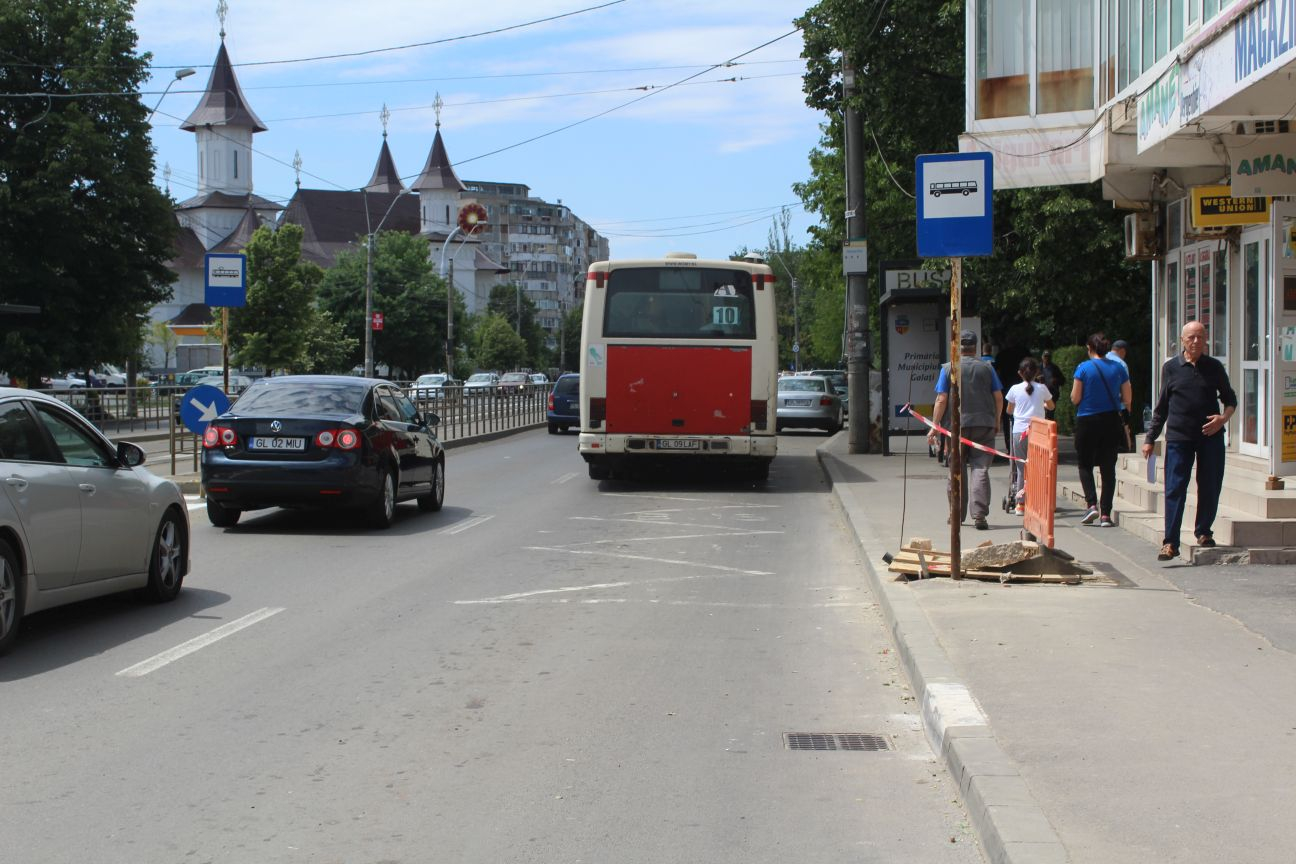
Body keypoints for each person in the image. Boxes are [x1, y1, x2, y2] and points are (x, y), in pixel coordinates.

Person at [1141, 320, 1236, 560]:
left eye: (1200, 337)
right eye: (1191, 337)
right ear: (1182, 340)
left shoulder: (1214, 367)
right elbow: (1162, 407)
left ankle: (1203, 530)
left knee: (1210, 485)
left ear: (1206, 340)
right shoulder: (1171, 368)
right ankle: (1170, 542)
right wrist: (1150, 438)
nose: (1196, 341)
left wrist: (1222, 420)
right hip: (1179, 437)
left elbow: (1230, 399)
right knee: (1175, 488)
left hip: (1210, 436)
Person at [927, 330, 1004, 530]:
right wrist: (996, 421)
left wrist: (935, 427)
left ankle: (956, 514)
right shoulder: (987, 369)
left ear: (956, 346)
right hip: (984, 425)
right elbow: (998, 397)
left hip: (956, 426)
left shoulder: (948, 369)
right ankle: (979, 515)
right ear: (975, 347)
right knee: (980, 468)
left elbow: (941, 399)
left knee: (956, 468)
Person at [1071, 332, 1132, 528]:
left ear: (1090, 349)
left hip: (1087, 420)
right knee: (1108, 468)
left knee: (1085, 464)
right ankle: (1106, 513)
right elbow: (1128, 398)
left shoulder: (1083, 368)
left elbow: (1075, 398)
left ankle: (1091, 504)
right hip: (1111, 420)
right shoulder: (1118, 368)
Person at [1005, 357, 1055, 515]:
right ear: (1037, 373)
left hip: (1020, 431)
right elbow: (1051, 405)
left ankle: (1021, 503)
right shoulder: (1042, 388)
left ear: (1020, 373)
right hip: (1038, 432)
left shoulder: (1014, 389)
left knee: (1021, 468)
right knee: (1039, 468)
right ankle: (1038, 502)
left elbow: (1009, 410)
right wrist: (1043, 405)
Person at [1038, 351, 1065, 421]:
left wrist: (1056, 380)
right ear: (1042, 357)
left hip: (1052, 394)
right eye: (1045, 357)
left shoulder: (1055, 368)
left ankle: (1049, 430)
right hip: (1040, 394)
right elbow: (1031, 379)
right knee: (1041, 414)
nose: (1047, 359)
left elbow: (1063, 380)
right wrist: (1038, 379)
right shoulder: (1038, 368)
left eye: (1048, 357)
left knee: (1050, 414)